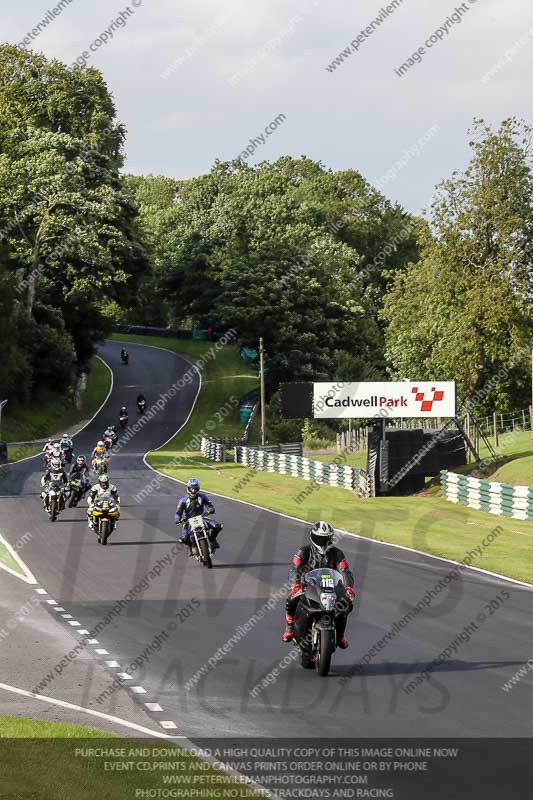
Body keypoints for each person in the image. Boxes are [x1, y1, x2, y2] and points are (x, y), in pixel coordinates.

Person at [283, 521, 355, 649]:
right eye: (320, 538)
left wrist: (348, 587)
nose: (323, 541)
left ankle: (340, 635)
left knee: (346, 604)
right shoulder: (303, 551)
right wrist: (296, 584)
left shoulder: (337, 553)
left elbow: (345, 570)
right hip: (308, 586)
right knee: (291, 600)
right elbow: (294, 568)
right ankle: (289, 627)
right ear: (313, 537)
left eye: (326, 538)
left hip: (331, 587)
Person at [175, 478, 223, 553]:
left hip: (202, 517)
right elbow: (178, 512)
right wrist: (177, 519)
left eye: (195, 489)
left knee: (218, 526)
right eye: (191, 489)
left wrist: (211, 509)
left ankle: (212, 540)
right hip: (188, 520)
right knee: (183, 539)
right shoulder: (183, 500)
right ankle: (191, 547)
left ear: (198, 489)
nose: (193, 490)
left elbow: (209, 505)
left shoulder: (203, 496)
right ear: (188, 488)